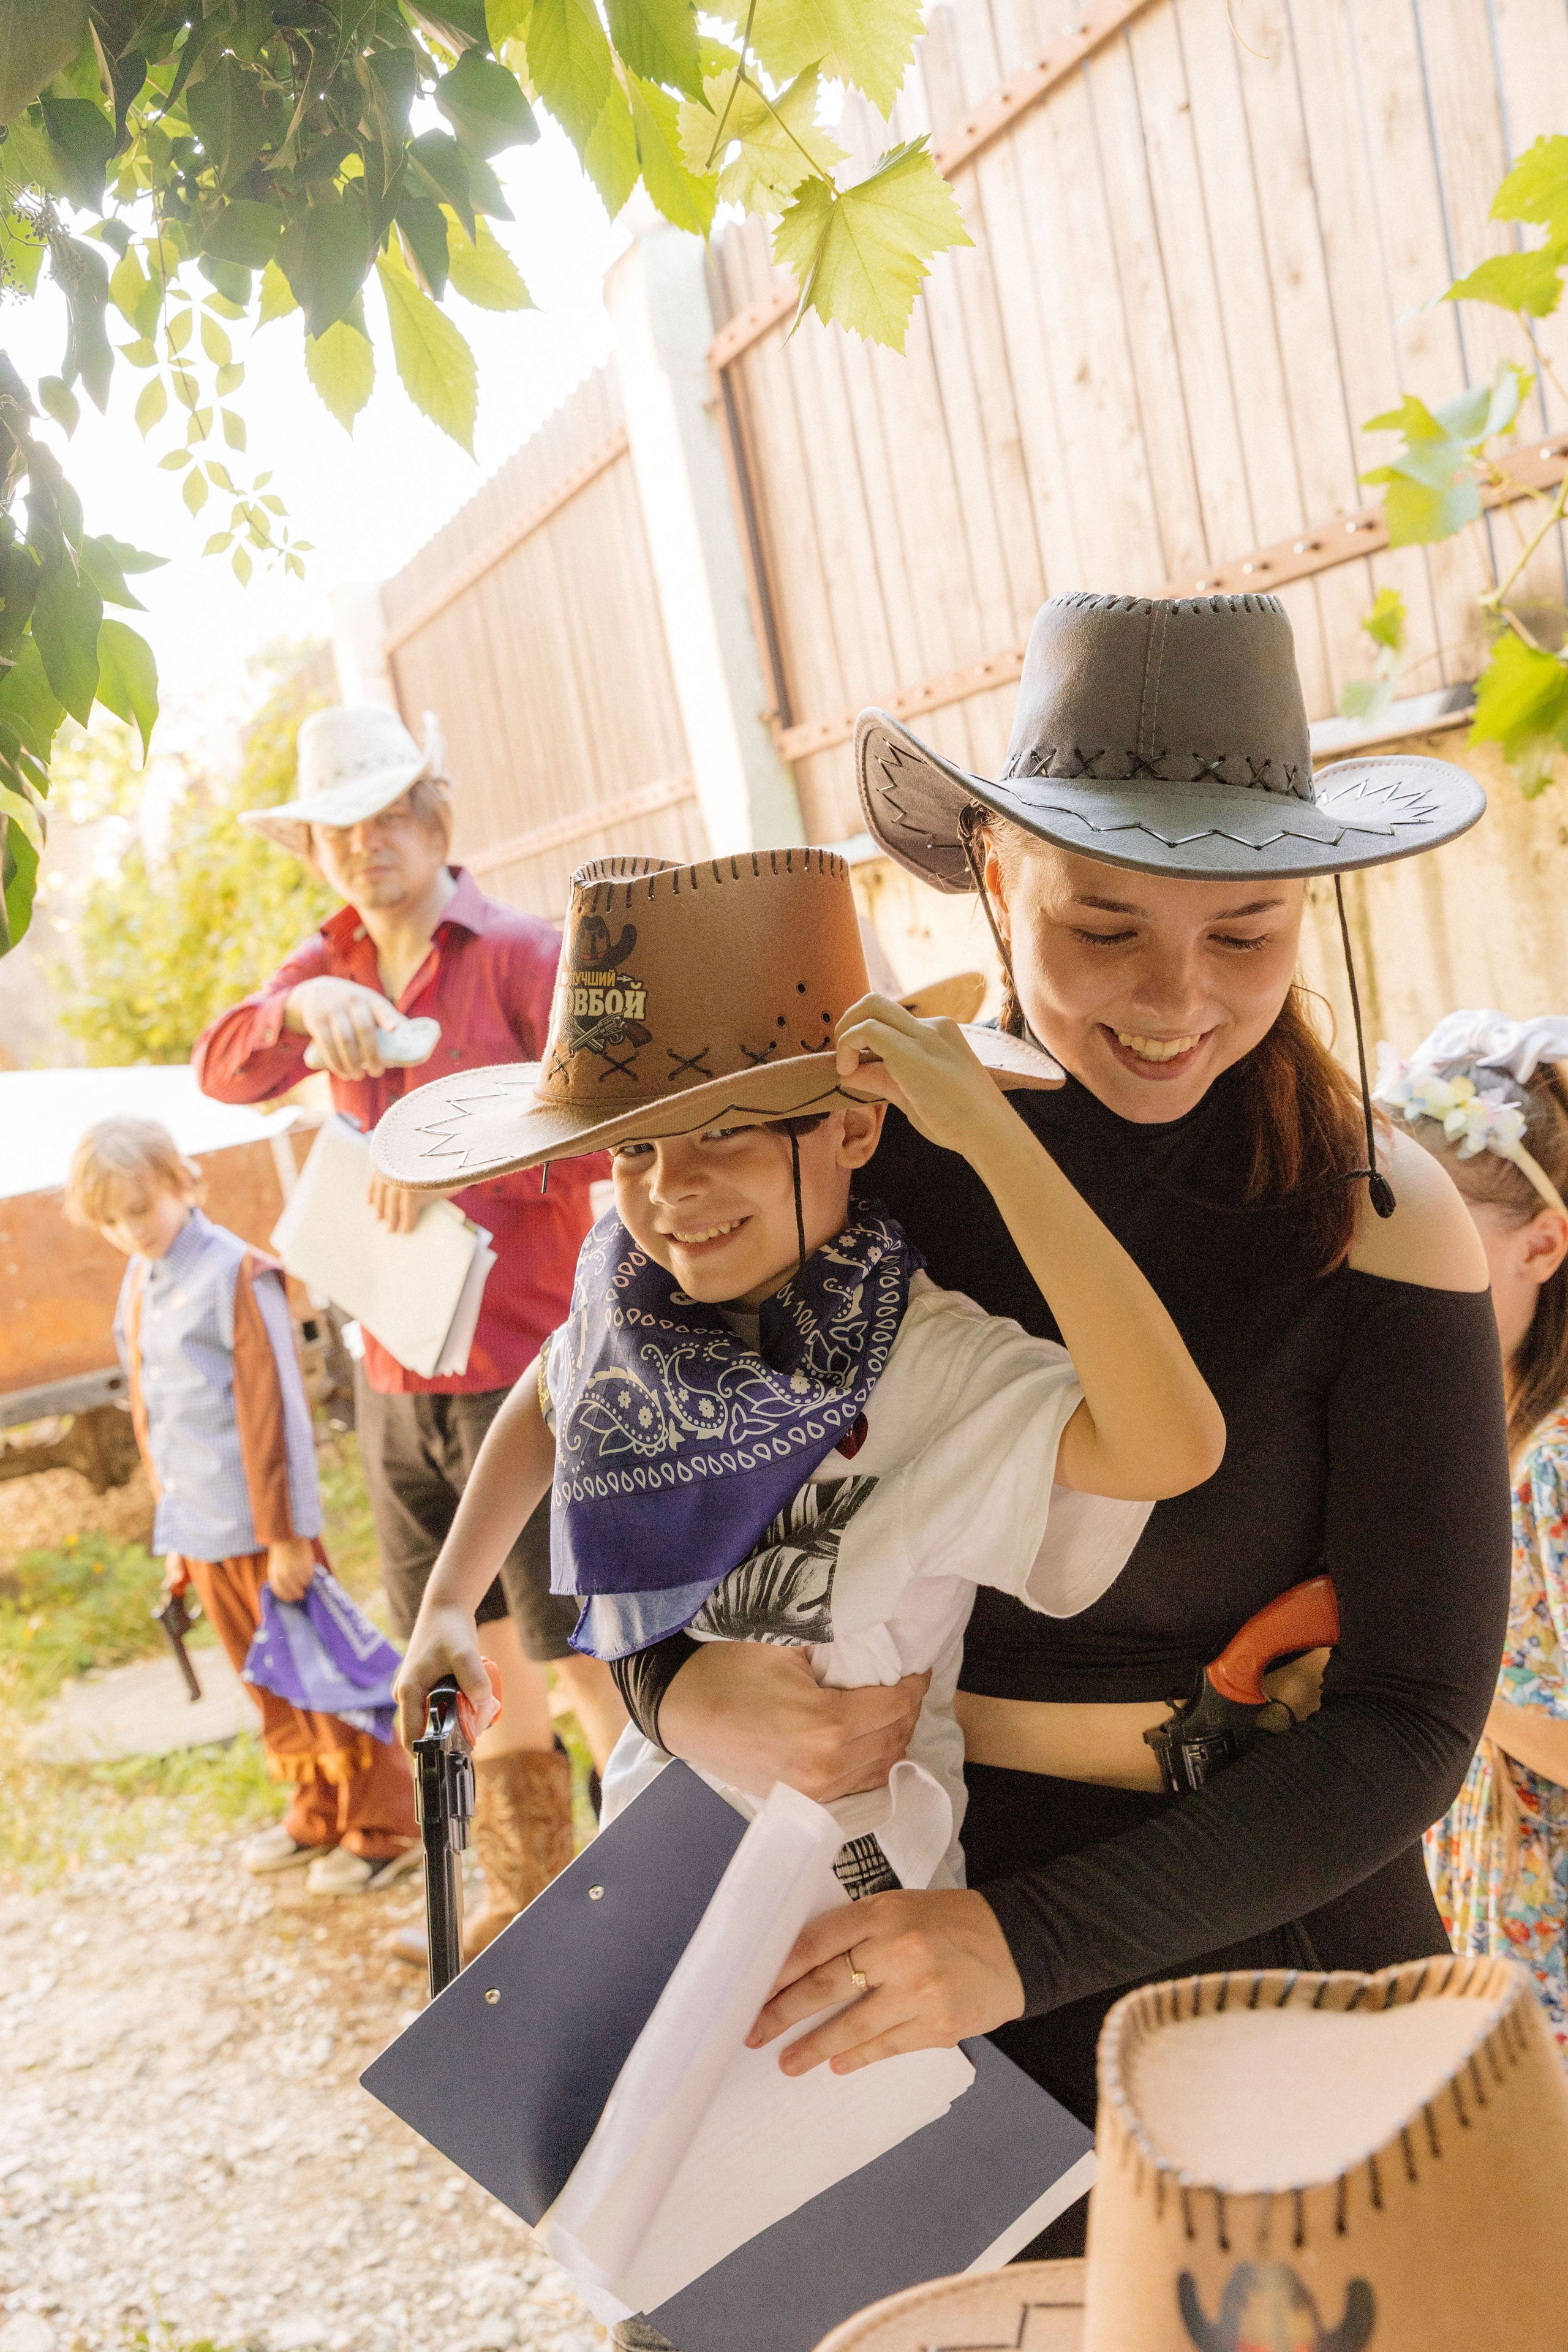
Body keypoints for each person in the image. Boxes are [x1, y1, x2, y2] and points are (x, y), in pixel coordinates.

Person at [609, 593, 1513, 2257]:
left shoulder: (1386, 1217)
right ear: (990, 873)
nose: (1179, 1000)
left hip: (1273, 1939)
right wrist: (672, 1684)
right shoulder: (844, 1146)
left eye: (1248, 937)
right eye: (1106, 930)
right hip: (873, 1943)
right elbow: (613, 1480)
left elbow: (1411, 1723)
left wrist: (1015, 1944)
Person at [377, 848, 1224, 1904]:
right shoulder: (635, 1306)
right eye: (633, 1151)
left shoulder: (933, 1368)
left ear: (857, 1125)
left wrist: (993, 1142)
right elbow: (556, 1394)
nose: (672, 1191)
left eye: (724, 1134)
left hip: (857, 1918)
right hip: (651, 1874)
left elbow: (1171, 1447)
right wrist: (449, 1601)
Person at [192, 701, 626, 1956]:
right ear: (314, 851)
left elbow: (607, 1117)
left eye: (389, 815)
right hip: (396, 1373)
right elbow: (224, 1070)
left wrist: (458, 1164)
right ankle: (540, 1918)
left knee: (581, 1657)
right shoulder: (321, 966)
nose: (365, 844)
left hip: (529, 1369)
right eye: (338, 826)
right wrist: (298, 1006)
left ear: (439, 822)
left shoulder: (526, 953)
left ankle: (662, 1919)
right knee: (473, 1662)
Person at [65, 1115, 420, 1888]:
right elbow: (153, 1415)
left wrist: (290, 1533)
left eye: (141, 1209)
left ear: (181, 1182)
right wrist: (175, 1539)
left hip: (267, 1531)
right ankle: (317, 1810)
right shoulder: (140, 1282)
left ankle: (385, 1825)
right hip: (202, 1532)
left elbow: (277, 1412)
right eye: (112, 1220)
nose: (131, 1230)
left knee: (323, 1676)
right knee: (265, 1680)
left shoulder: (239, 1272)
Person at [1378, 1012, 1568, 2054]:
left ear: (1542, 1245)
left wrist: (1428, 1673)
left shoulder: (1556, 1460)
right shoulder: (1446, 1439)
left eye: (1445, 1244)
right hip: (1484, 1937)